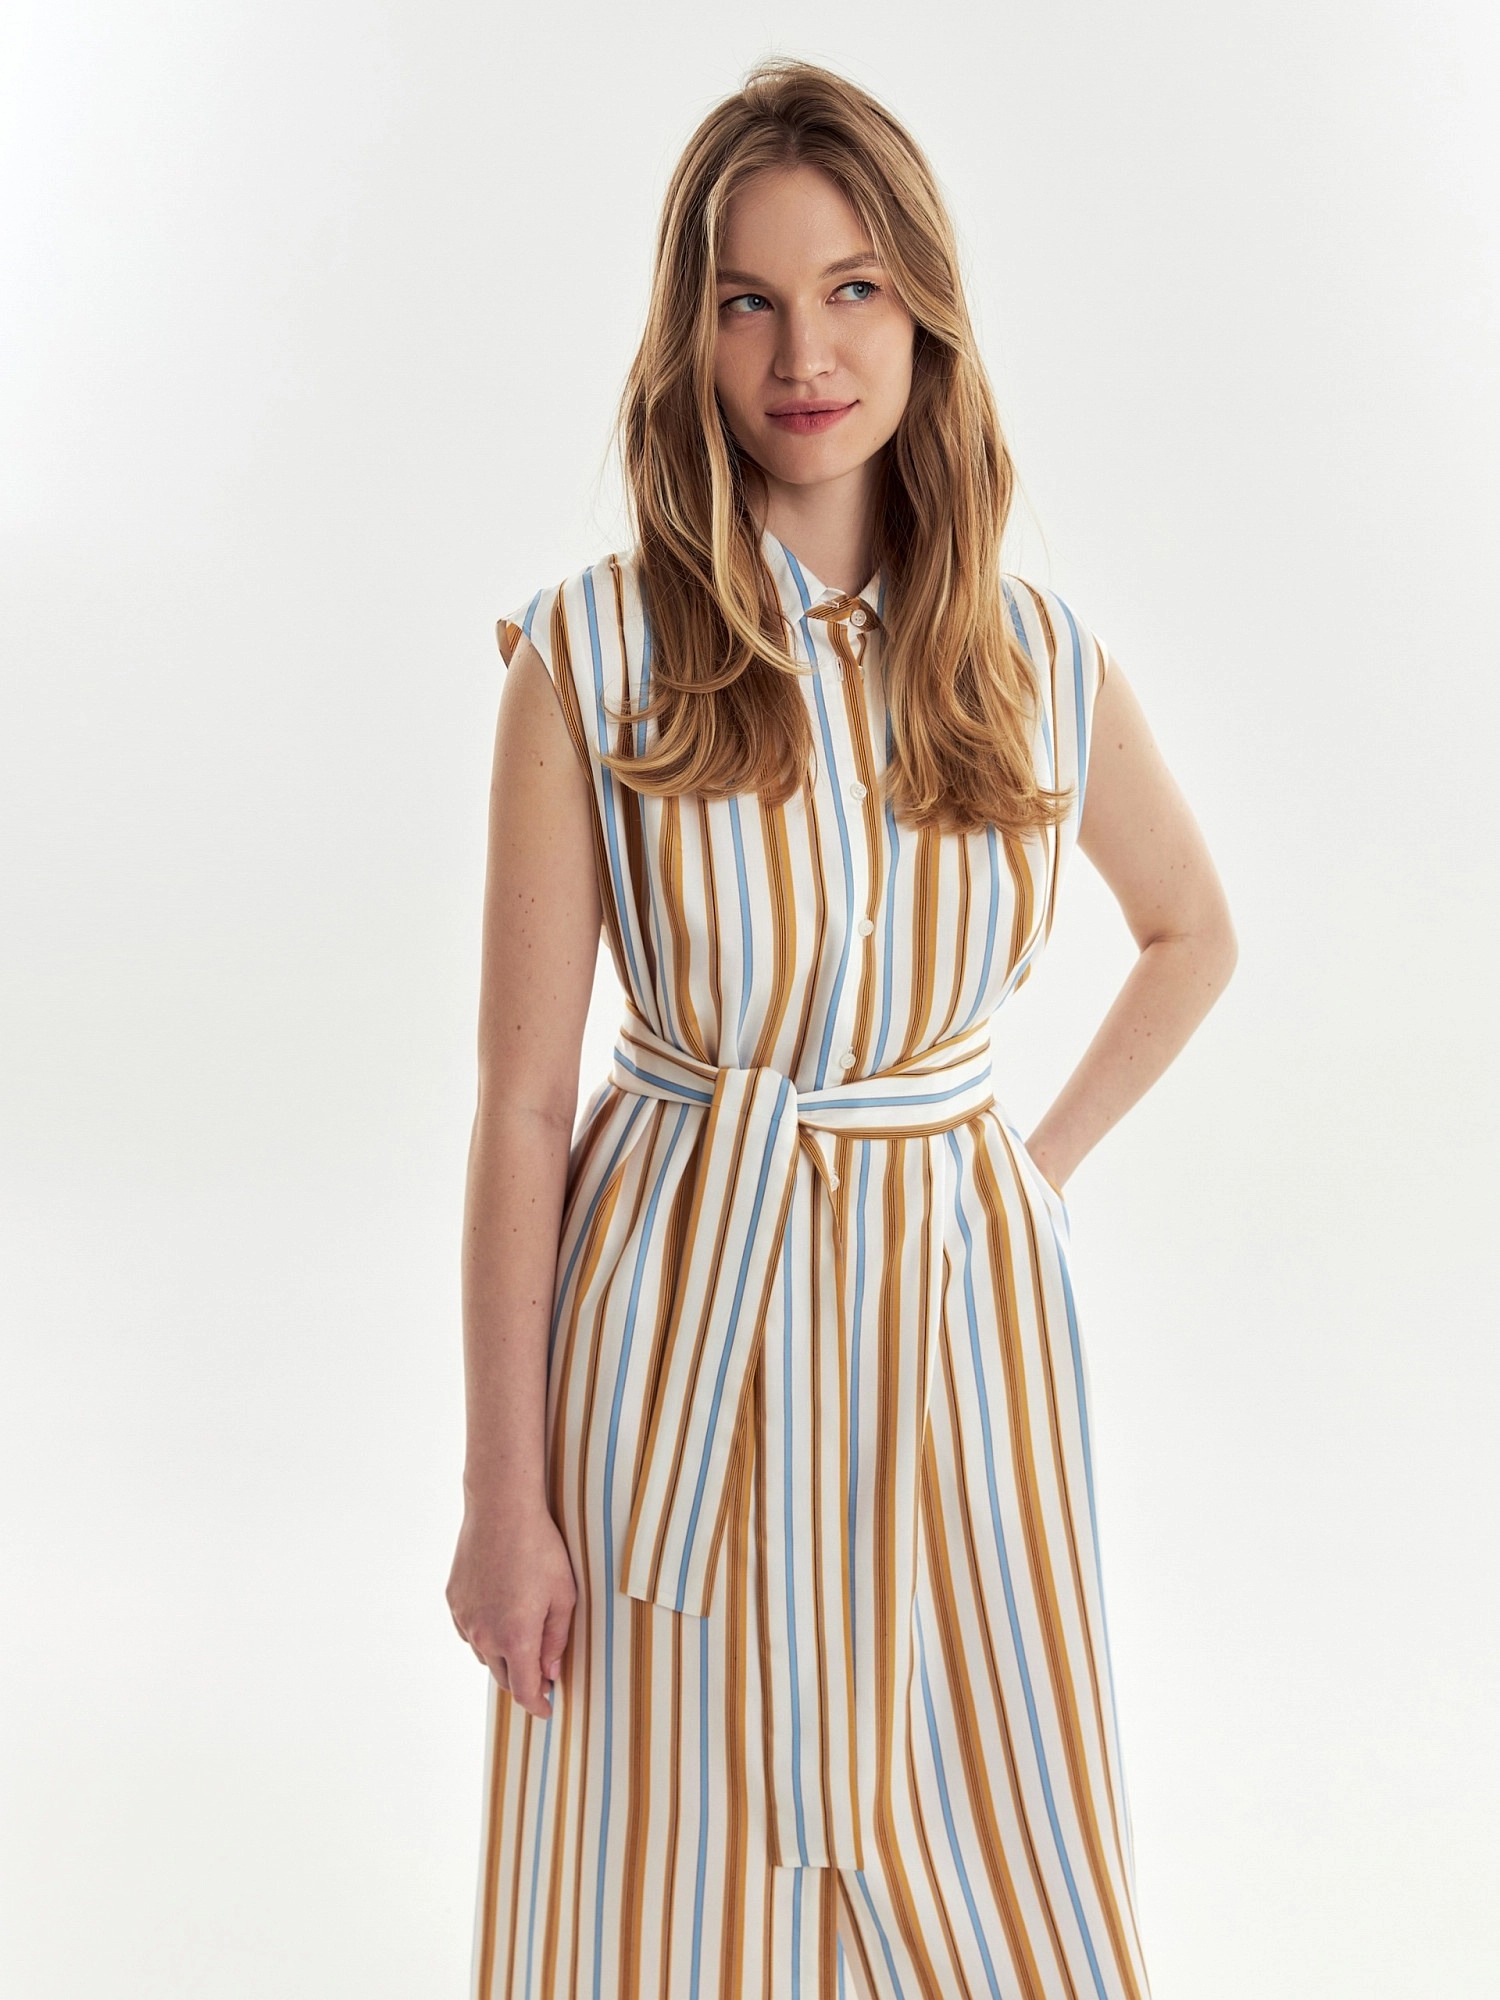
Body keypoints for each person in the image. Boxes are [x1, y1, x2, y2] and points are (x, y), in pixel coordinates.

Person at [449, 55, 1236, 2000]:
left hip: (957, 1335)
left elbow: (1190, 934)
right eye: (750, 301)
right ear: (692, 336)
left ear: (925, 313)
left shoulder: (1035, 659)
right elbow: (524, 1102)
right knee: (659, 1876)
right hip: (675, 1328)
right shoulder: (592, 655)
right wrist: (501, 1496)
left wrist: (1023, 1173)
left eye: (854, 288)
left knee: (1002, 1855)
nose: (806, 352)